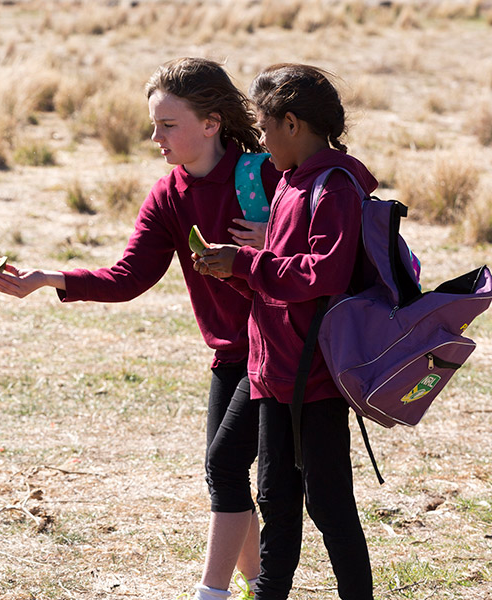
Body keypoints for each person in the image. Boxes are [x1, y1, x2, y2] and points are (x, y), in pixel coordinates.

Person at [0, 57, 276, 600]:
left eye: (168, 125)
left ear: (211, 123)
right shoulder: (169, 195)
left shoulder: (264, 175)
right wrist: (50, 278)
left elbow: (321, 245)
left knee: (226, 467)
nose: (154, 137)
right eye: (153, 124)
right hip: (231, 356)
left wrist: (274, 236)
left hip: (279, 349)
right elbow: (129, 277)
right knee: (225, 473)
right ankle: (261, 587)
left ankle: (212, 593)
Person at [195, 63, 375, 600]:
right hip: (272, 374)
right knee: (275, 500)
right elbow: (283, 274)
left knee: (329, 506)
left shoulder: (335, 187)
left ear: (292, 123)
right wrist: (234, 268)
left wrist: (247, 265)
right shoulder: (293, 182)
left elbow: (324, 274)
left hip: (313, 379)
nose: (262, 137)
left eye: (266, 124)